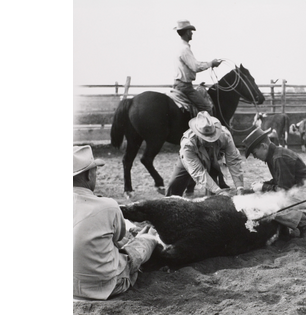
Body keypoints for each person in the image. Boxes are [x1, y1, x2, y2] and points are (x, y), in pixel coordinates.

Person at [73, 145, 159, 300]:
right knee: (146, 240)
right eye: (95, 171)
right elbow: (119, 239)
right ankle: (150, 238)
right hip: (107, 285)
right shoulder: (108, 205)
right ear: (88, 175)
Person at [242, 127, 306, 238]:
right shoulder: (274, 155)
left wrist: (263, 186)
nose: (255, 157)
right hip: (298, 190)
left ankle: (305, 224)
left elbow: (282, 190)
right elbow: (280, 181)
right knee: (266, 197)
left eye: (254, 153)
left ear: (263, 146)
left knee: (269, 206)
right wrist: (263, 184)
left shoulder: (279, 157)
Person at [165, 111, 245, 197]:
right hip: (190, 160)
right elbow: (198, 172)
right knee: (174, 185)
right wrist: (219, 191)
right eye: (205, 138)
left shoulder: (225, 135)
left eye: (213, 136)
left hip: (214, 158)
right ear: (197, 134)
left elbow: (234, 161)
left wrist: (240, 187)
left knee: (214, 197)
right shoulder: (187, 143)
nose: (210, 141)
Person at [173, 19, 222, 115]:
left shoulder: (180, 47)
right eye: (190, 31)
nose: (192, 33)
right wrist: (211, 63)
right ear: (187, 32)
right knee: (206, 107)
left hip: (179, 84)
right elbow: (195, 67)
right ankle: (204, 129)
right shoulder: (185, 49)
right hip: (185, 87)